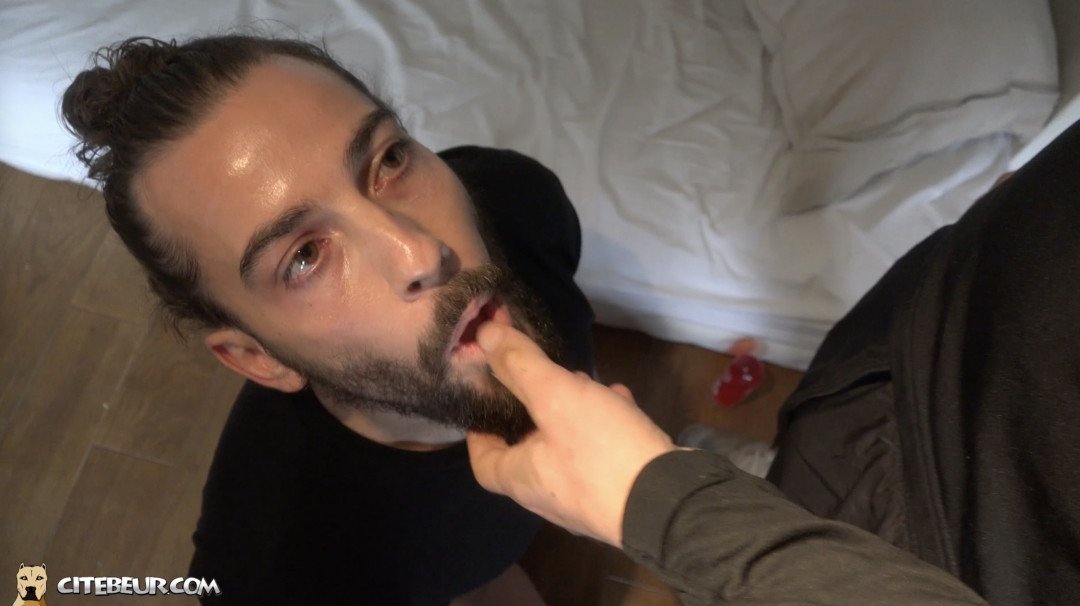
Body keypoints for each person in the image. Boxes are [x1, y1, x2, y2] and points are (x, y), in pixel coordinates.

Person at [61, 35, 595, 604]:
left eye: (388, 161)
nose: (422, 254)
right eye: (304, 257)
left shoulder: (519, 201)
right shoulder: (277, 569)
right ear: (259, 358)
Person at [468, 119, 1080, 605]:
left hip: (932, 543)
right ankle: (765, 483)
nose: (424, 254)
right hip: (914, 336)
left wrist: (656, 500)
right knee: (807, 447)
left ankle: (754, 496)